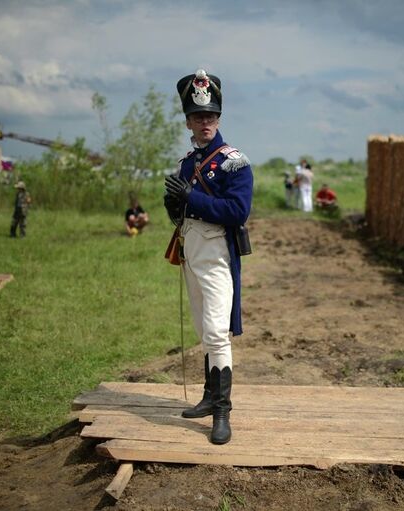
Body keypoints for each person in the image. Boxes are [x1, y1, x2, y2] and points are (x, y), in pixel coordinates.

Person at [164, 69, 253, 445]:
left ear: (218, 119)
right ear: (188, 120)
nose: (205, 123)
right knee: (203, 328)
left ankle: (222, 412)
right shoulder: (187, 162)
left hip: (217, 249)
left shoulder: (234, 161)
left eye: (211, 117)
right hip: (191, 249)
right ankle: (207, 395)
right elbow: (180, 210)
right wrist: (173, 204)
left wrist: (191, 198)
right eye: (199, 117)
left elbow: (237, 211)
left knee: (217, 332)